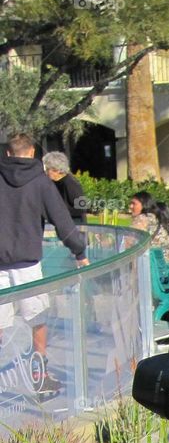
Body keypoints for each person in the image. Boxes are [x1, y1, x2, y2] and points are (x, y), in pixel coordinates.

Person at [0, 132, 88, 396]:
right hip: (28, 264)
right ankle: (40, 374)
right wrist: (79, 252)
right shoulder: (40, 182)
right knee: (38, 320)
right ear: (32, 154)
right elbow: (62, 222)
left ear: (7, 154)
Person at [128, 190, 169, 264]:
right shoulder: (154, 217)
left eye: (134, 204)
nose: (130, 206)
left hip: (157, 267)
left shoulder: (142, 219)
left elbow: (127, 242)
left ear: (144, 204)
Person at [42, 151, 87, 225]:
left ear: (57, 170)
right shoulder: (55, 182)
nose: (46, 172)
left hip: (76, 224)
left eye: (48, 169)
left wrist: (60, 211)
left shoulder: (71, 183)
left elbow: (82, 207)